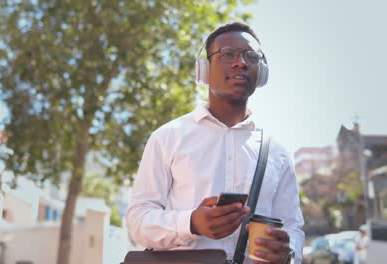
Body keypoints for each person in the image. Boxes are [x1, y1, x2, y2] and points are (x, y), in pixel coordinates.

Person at [126, 22, 305, 264]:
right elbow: (138, 221)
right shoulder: (167, 137)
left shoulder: (278, 152)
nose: (240, 62)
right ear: (203, 69)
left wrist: (288, 252)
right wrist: (190, 223)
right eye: (228, 54)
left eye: (251, 56)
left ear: (261, 72)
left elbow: (293, 227)